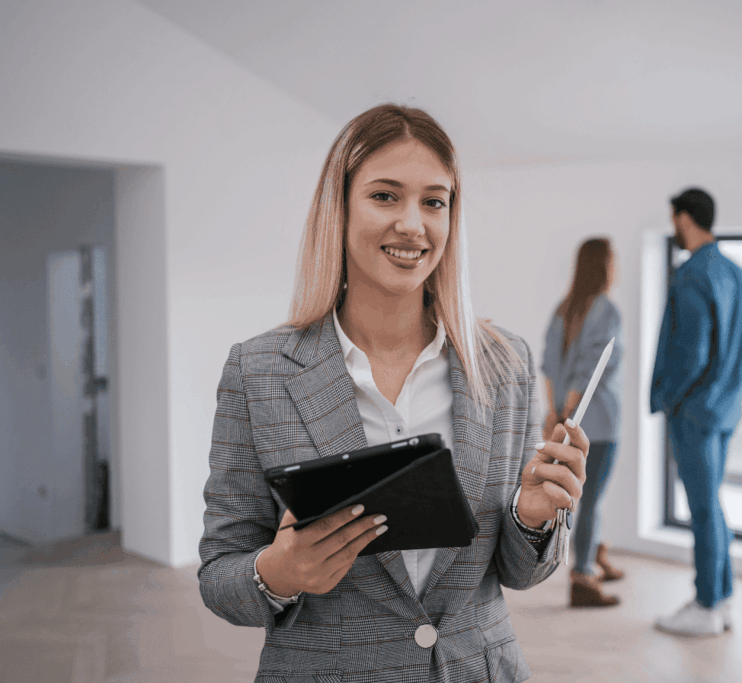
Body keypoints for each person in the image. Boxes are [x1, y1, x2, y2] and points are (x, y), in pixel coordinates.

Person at [197, 104, 591, 682]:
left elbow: (516, 573)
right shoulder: (258, 370)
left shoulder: (505, 363)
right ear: (340, 207)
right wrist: (281, 571)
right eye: (385, 196)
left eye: (434, 201)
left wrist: (532, 515)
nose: (413, 223)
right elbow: (219, 575)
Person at [650, 187, 742, 637]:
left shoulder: (693, 274)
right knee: (711, 504)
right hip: (726, 409)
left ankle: (706, 603)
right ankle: (723, 597)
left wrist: (669, 398)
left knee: (702, 508)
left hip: (694, 411)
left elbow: (690, 353)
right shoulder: (739, 276)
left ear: (684, 219)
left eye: (674, 219)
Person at [541, 238, 625, 608]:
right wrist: (570, 411)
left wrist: (555, 412)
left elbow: (548, 367)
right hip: (598, 422)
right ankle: (583, 574)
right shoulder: (606, 310)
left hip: (564, 417)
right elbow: (589, 370)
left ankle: (594, 554)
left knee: (580, 499)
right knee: (590, 500)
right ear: (606, 266)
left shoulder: (564, 308)